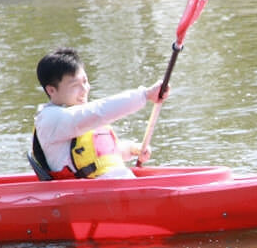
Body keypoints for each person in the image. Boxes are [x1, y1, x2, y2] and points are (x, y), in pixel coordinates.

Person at [32, 47, 167, 179]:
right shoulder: (51, 119)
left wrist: (131, 149)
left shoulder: (76, 116)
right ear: (51, 90)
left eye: (85, 81)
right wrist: (145, 95)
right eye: (75, 85)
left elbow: (101, 155)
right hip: (87, 191)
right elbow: (99, 111)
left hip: (113, 184)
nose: (84, 89)